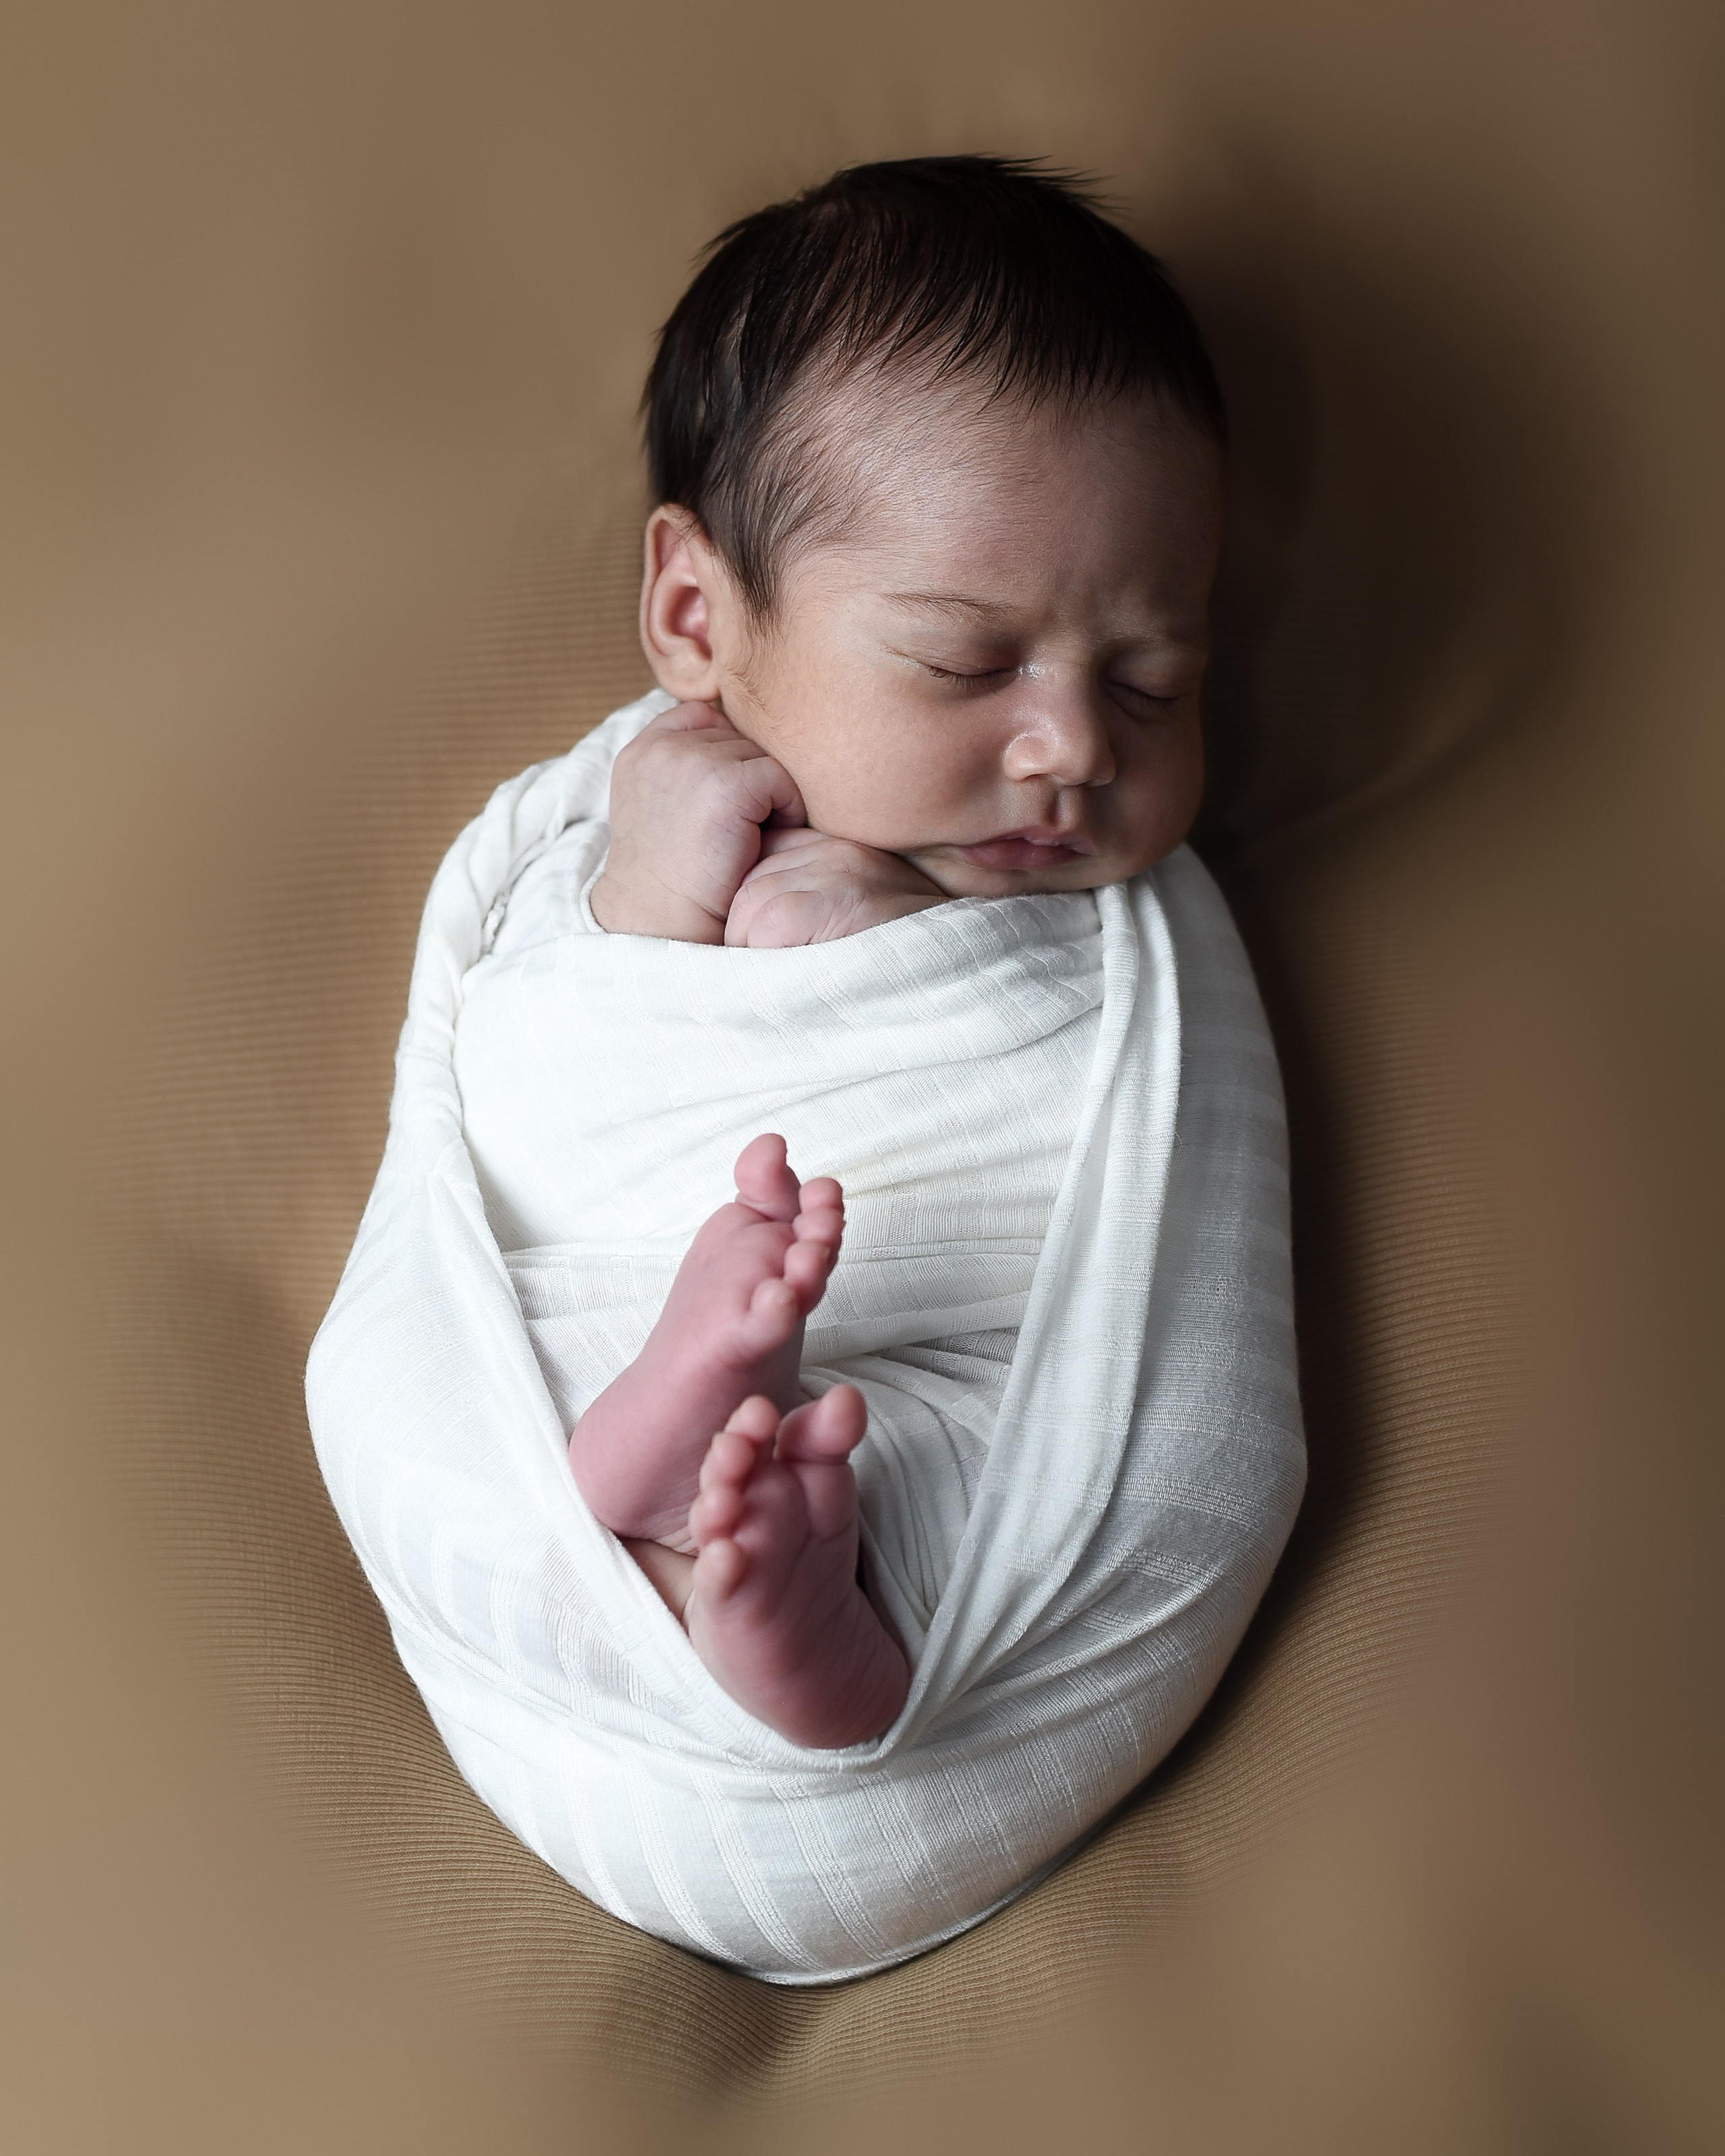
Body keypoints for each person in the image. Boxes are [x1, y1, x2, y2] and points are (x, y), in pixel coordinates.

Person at [482, 156, 1228, 1747]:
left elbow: (1134, 1190)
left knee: (944, 1463)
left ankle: (781, 1605)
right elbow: (541, 1089)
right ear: (696, 615)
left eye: (1154, 682)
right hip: (632, 1291)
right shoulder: (635, 821)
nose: (1072, 745)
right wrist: (643, 900)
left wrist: (905, 943)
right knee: (552, 1362)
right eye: (965, 661)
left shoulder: (1123, 931)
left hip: (957, 1400)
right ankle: (662, 1459)